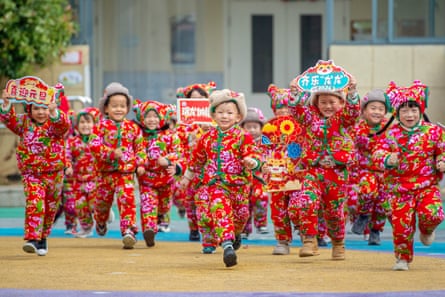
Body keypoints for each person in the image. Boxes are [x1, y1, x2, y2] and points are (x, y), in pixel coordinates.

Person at [179, 89, 263, 267]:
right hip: (215, 184)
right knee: (219, 208)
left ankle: (236, 233)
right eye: (220, 112)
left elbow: (254, 155)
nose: (225, 116)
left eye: (229, 112)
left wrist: (252, 162)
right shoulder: (207, 138)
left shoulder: (243, 137)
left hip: (239, 185)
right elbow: (197, 160)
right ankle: (227, 246)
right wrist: (187, 177)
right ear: (213, 115)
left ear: (238, 116)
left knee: (241, 215)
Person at [372, 80, 445, 271]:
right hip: (398, 189)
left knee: (434, 214)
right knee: (401, 225)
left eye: (413, 109)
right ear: (397, 113)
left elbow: (442, 150)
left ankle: (426, 229)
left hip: (427, 185)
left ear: (421, 110)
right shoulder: (389, 134)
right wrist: (388, 158)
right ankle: (402, 259)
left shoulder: (434, 131)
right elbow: (377, 154)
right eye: (404, 111)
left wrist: (441, 161)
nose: (409, 114)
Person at [287, 75, 360, 260]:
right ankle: (309, 240)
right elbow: (297, 111)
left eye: (332, 102)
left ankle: (338, 243)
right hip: (314, 170)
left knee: (334, 211)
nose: (328, 106)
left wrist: (351, 92)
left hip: (337, 172)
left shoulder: (344, 119)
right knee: (307, 201)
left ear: (340, 102)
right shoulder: (310, 118)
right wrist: (295, 92)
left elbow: (352, 112)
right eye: (323, 102)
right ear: (316, 103)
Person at [0, 88, 70, 256]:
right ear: (29, 110)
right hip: (32, 173)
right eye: (36, 108)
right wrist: (7, 103)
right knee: (35, 202)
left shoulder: (55, 123)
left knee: (50, 207)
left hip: (54, 172)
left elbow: (64, 125)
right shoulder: (23, 123)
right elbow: (9, 120)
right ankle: (32, 238)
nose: (40, 112)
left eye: (44, 108)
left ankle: (42, 237)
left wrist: (54, 112)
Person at [89, 82, 146, 249]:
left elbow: (140, 148)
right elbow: (94, 145)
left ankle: (129, 231)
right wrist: (110, 153)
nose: (119, 109)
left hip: (125, 173)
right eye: (114, 106)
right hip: (105, 173)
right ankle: (100, 220)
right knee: (102, 203)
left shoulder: (133, 128)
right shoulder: (100, 126)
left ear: (127, 108)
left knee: (127, 200)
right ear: (106, 108)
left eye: (122, 106)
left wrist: (140, 163)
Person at [133, 99, 183, 247]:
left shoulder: (170, 135)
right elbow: (137, 151)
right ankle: (149, 229)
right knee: (148, 204)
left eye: (155, 116)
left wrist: (167, 160)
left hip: (166, 180)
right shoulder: (140, 135)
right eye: (148, 116)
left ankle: (162, 217)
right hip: (147, 180)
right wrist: (140, 164)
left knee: (164, 206)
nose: (152, 120)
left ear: (161, 117)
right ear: (142, 118)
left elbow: (178, 151)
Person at [174, 81, 217, 246]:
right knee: (190, 200)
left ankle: (210, 230)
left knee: (208, 200)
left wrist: (209, 129)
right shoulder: (183, 125)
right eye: (193, 98)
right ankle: (193, 229)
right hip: (190, 166)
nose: (197, 101)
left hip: (211, 168)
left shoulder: (215, 120)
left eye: (201, 98)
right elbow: (179, 144)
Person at [349, 89, 390, 245]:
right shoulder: (358, 128)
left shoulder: (390, 128)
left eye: (381, 109)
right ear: (364, 110)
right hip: (365, 170)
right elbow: (348, 145)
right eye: (373, 108)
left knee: (382, 203)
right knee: (367, 191)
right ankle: (364, 215)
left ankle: (375, 231)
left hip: (385, 172)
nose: (377, 112)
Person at [65, 107, 102, 238]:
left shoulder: (99, 140)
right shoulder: (72, 141)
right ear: (76, 126)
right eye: (82, 122)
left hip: (95, 180)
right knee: (80, 206)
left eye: (88, 122)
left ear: (94, 124)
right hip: (78, 181)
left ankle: (104, 214)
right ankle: (86, 228)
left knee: (94, 205)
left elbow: (106, 154)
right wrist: (68, 166)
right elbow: (67, 156)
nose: (85, 125)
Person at [239, 107, 269, 238]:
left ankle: (261, 223)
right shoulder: (240, 140)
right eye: (248, 127)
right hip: (243, 177)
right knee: (244, 202)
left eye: (255, 126)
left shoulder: (266, 141)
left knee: (261, 197)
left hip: (260, 177)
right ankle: (244, 229)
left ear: (261, 127)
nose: (252, 130)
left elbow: (272, 154)